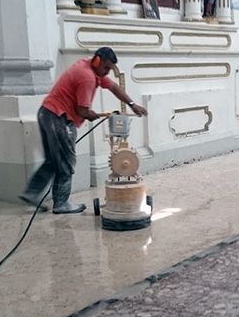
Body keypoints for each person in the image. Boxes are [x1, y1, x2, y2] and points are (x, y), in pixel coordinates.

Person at [19, 47, 147, 214]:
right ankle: (61, 203)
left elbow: (114, 87)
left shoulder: (91, 69)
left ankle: (32, 192)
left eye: (110, 69)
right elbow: (82, 110)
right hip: (59, 118)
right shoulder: (86, 77)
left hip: (46, 113)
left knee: (53, 160)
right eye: (106, 68)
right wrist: (91, 114)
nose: (107, 72)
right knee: (66, 162)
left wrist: (132, 104)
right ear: (97, 61)